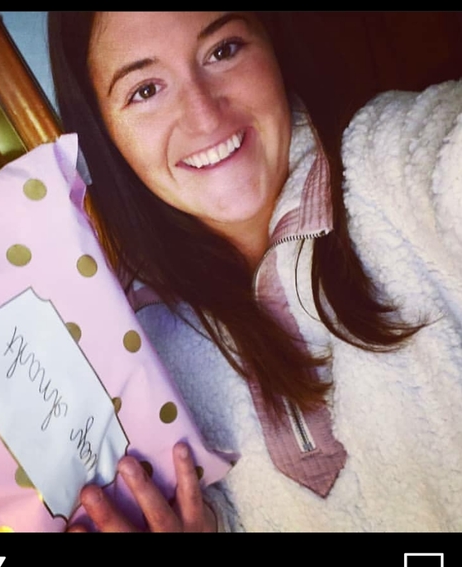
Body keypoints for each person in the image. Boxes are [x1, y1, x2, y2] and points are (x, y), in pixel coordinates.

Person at [47, 11, 462, 532]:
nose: (204, 116)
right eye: (146, 90)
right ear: (105, 133)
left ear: (271, 45)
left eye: (223, 50)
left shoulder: (396, 162)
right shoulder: (130, 348)